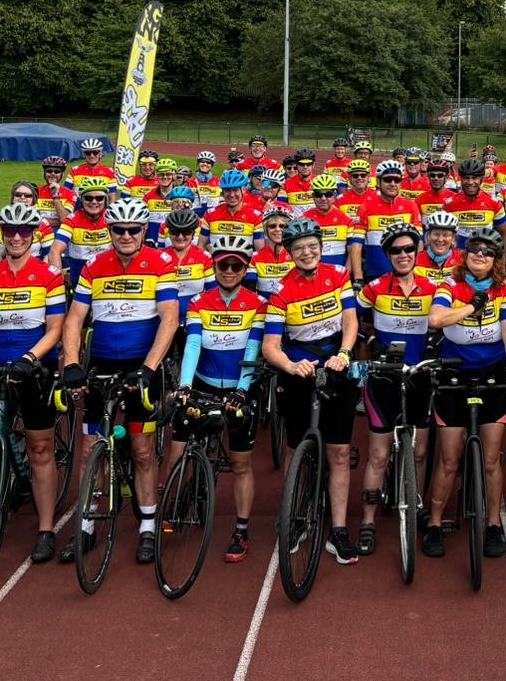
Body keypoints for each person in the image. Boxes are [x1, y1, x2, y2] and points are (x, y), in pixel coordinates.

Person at [58, 197, 179, 566]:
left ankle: (146, 526)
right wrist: (73, 364)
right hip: (102, 367)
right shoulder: (95, 266)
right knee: (89, 446)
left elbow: (169, 320)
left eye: (133, 229)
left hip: (141, 368)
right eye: (118, 230)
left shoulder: (161, 263)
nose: (126, 236)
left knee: (141, 448)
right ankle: (87, 528)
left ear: (145, 230)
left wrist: (149, 368)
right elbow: (75, 319)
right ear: (109, 230)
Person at [0, 203, 67, 562]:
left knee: (40, 449)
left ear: (34, 235)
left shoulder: (49, 275)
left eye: (24, 232)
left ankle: (45, 529)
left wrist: (29, 360)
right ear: (2, 235)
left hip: (34, 370)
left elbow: (55, 329)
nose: (17, 237)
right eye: (10, 231)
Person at [263, 216, 361, 566]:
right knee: (295, 448)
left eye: (312, 247)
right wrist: (290, 366)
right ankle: (296, 515)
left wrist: (345, 353)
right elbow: (270, 345)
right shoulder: (281, 290)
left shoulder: (337, 276)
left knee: (338, 452)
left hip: (337, 368)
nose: (306, 253)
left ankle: (337, 530)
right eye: (299, 248)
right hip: (299, 373)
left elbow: (351, 321)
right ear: (289, 253)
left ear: (321, 248)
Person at [425, 227, 506, 559]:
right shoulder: (450, 285)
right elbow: (436, 319)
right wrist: (471, 307)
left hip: (493, 376)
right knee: (449, 461)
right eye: (474, 250)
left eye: (488, 252)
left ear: (496, 260)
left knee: (491, 460)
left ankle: (493, 524)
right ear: (465, 255)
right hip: (454, 374)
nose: (480, 255)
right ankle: (435, 523)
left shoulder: (505, 287)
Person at [168, 234, 265, 563]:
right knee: (179, 446)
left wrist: (242, 389)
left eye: (235, 265)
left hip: (239, 388)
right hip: (203, 384)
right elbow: (193, 345)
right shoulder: (199, 302)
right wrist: (183, 384)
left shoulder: (257, 304)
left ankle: (241, 528)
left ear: (244, 269)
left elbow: (253, 349)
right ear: (214, 266)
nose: (228, 270)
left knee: (240, 465)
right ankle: (178, 497)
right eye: (223, 264)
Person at [356, 222, 438, 556]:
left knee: (419, 452)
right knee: (378, 455)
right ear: (388, 255)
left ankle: (415, 500)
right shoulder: (375, 288)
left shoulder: (434, 287)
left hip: (419, 376)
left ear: (417, 252)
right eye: (396, 250)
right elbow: (354, 320)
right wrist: (373, 342)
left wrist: (433, 347)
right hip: (384, 377)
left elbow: (447, 320)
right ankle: (368, 521)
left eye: (408, 249)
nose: (403, 255)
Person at [350, 160, 425, 286]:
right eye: (387, 179)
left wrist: (415, 270)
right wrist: (358, 277)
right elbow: (356, 245)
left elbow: (420, 243)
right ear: (379, 182)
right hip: (374, 274)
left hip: (405, 274)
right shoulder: (366, 207)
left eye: (397, 180)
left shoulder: (410, 206)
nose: (392, 184)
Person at [50, 185, 112, 286]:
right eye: (88, 198)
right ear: (81, 200)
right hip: (79, 279)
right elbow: (54, 251)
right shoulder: (72, 219)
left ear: (105, 200)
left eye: (99, 198)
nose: (94, 202)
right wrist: (58, 282)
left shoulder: (111, 218)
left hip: (106, 278)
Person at [445, 157, 506, 251]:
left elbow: (504, 233)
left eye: (474, 178)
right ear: (461, 179)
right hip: (458, 258)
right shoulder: (449, 204)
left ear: (481, 179)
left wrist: (503, 261)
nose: (470, 182)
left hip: (483, 258)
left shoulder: (494, 203)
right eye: (466, 178)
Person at [204, 169, 264, 252]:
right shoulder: (210, 214)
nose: (232, 195)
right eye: (227, 190)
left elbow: (259, 251)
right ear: (223, 192)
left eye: (235, 190)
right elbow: (201, 246)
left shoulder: (256, 216)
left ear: (243, 190)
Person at [251, 205, 296, 299]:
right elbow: (249, 292)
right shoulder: (254, 259)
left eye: (282, 226)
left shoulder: (296, 257)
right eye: (272, 226)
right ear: (266, 230)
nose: (277, 229)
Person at [414, 210, 462, 285]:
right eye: (436, 234)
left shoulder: (463, 259)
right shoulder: (415, 261)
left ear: (453, 238)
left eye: (446, 235)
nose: (440, 239)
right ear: (428, 236)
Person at [36, 156, 76, 229]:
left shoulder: (70, 194)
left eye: (57, 171)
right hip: (39, 232)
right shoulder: (36, 191)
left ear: (63, 174)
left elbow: (64, 220)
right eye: (49, 171)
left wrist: (55, 196)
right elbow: (31, 219)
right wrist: (57, 221)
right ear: (44, 173)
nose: (53, 174)